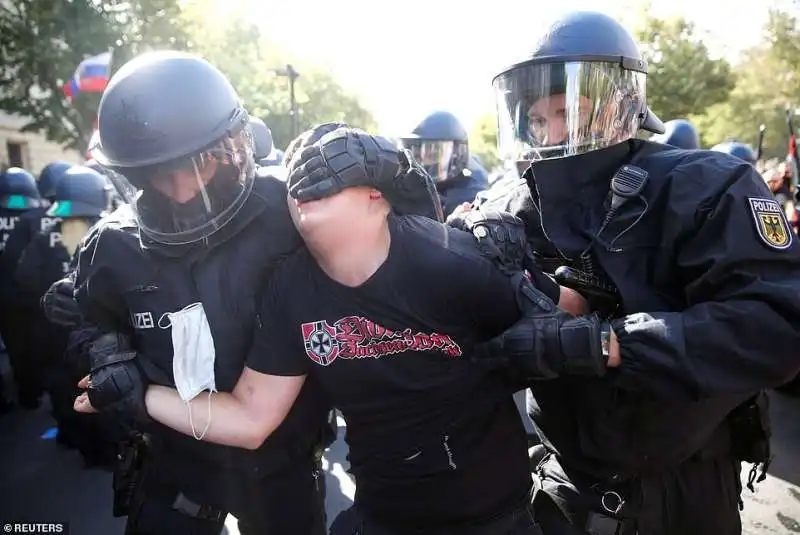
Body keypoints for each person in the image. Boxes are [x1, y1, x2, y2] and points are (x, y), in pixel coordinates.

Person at [77, 127, 602, 535]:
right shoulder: (290, 290)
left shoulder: (452, 259)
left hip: (490, 514)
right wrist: (134, 393)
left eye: (331, 173)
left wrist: (531, 276)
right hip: (383, 514)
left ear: (376, 195)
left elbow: (577, 314)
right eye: (299, 175)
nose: (308, 181)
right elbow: (252, 415)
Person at [451, 10, 800, 535]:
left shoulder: (704, 187)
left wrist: (604, 344)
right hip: (562, 484)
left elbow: (778, 326)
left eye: (572, 109)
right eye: (539, 118)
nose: (554, 130)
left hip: (683, 493)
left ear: (622, 105)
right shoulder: (510, 203)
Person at [63, 51, 335, 535]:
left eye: (198, 166)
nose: (184, 191)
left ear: (232, 146)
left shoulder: (289, 214)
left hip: (282, 466)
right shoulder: (113, 245)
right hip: (174, 467)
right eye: (161, 174)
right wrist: (104, 352)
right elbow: (88, 321)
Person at [15, 165, 118, 460]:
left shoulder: (45, 237)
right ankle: (104, 452)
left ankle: (76, 440)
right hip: (98, 340)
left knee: (63, 391)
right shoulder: (112, 233)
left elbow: (23, 278)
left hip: (52, 337)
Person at [0, 166, 45, 409]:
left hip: (6, 298)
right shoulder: (39, 215)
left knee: (17, 348)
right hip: (34, 295)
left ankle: (27, 394)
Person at [399, 111, 489, 217]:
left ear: (457, 153)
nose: (422, 163)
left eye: (433, 153)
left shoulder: (472, 198)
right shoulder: (407, 195)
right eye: (417, 154)